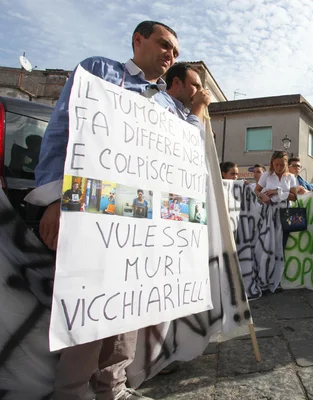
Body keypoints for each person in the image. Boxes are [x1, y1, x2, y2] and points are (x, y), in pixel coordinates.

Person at [25, 20, 196, 400]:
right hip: (93, 213)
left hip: (142, 222)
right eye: (164, 45)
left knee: (128, 305)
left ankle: (113, 388)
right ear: (138, 40)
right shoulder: (99, 71)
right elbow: (61, 131)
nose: (170, 55)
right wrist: (54, 198)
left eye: (176, 52)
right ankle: (70, 392)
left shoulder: (170, 106)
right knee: (91, 306)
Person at [254, 151, 298, 250]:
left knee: (282, 243)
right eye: (276, 164)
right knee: (267, 243)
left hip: (285, 213)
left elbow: (294, 197)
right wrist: (262, 196)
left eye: (282, 165)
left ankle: (280, 265)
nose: (278, 167)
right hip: (269, 212)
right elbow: (256, 190)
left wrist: (277, 191)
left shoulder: (290, 177)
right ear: (272, 163)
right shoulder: (266, 175)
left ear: (286, 164)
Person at [165, 62, 211, 129]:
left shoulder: (187, 114)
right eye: (196, 86)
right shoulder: (159, 103)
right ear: (177, 83)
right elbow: (190, 136)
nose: (200, 92)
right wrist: (199, 105)